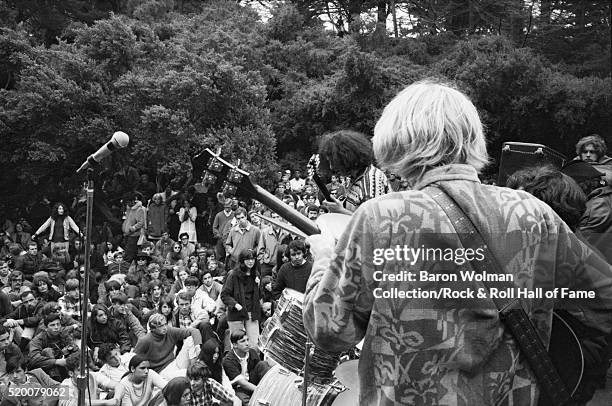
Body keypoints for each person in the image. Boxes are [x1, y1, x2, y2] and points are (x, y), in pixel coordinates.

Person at [302, 80, 612, 406]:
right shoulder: (534, 214)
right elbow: (602, 299)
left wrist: (323, 255)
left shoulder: (383, 218)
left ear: (399, 139)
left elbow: (330, 330)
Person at [317, 130, 390, 214]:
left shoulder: (371, 183)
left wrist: (340, 210)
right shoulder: (354, 177)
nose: (331, 167)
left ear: (347, 159)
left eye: (333, 162)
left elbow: (372, 222)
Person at [133, 313, 202, 380]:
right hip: (162, 372)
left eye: (165, 324)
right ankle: (192, 374)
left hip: (175, 362)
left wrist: (197, 347)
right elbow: (133, 358)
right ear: (153, 329)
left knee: (191, 339)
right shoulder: (145, 340)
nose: (165, 328)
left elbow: (194, 331)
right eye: (161, 326)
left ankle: (193, 369)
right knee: (185, 374)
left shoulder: (169, 331)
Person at [220, 249, 261, 352]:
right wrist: (235, 304)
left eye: (252, 259)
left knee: (254, 345)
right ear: (242, 260)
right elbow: (224, 295)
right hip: (236, 314)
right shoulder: (233, 274)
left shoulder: (255, 275)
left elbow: (259, 296)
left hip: (252, 313)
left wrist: (258, 285)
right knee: (239, 346)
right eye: (247, 259)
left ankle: (253, 367)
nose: (251, 262)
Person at [222, 330, 269, 406]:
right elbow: (242, 383)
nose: (247, 343)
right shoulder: (228, 360)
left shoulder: (251, 352)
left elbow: (260, 369)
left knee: (263, 364)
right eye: (243, 341)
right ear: (235, 345)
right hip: (239, 388)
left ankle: (270, 388)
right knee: (244, 401)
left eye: (247, 340)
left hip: (252, 381)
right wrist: (260, 390)